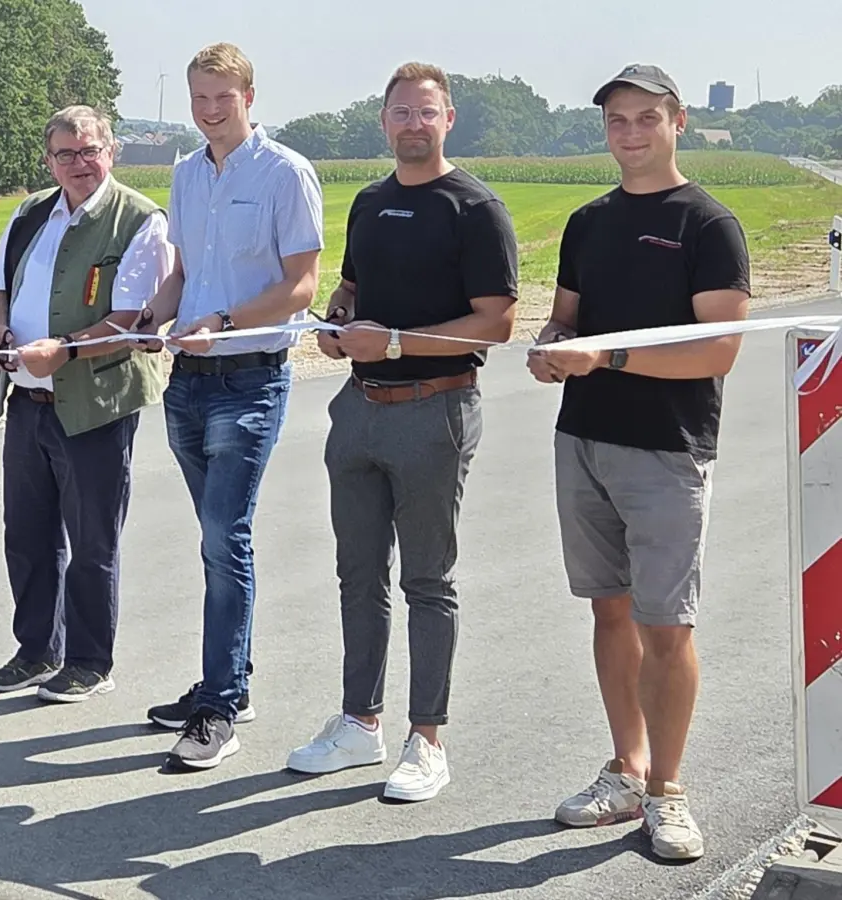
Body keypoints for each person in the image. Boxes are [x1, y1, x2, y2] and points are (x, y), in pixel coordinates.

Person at [528, 63, 749, 861]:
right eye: (617, 121)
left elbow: (718, 351)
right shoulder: (588, 222)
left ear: (677, 122)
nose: (630, 134)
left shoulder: (708, 225)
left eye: (645, 119)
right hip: (583, 438)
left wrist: (605, 359)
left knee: (666, 624)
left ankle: (668, 793)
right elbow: (564, 324)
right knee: (609, 611)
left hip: (668, 449)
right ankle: (627, 769)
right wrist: (552, 354)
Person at [287, 63, 518, 802]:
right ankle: (361, 722)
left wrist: (389, 342)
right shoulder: (369, 201)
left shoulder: (473, 207)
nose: (413, 125)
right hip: (359, 409)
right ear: (382, 121)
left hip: (434, 409)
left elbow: (497, 323)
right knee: (358, 573)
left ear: (448, 119)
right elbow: (352, 289)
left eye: (426, 113)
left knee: (427, 580)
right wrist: (337, 317)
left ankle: (428, 738)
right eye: (400, 113)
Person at [135, 42, 324, 769]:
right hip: (187, 382)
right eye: (199, 99)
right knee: (216, 540)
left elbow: (302, 284)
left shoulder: (285, 173)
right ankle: (227, 682)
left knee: (225, 535)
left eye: (223, 98)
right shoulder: (185, 172)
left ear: (250, 98)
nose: (210, 112)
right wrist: (152, 316)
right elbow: (182, 271)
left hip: (251, 378)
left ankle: (219, 706)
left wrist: (226, 322)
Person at [0, 105, 174, 702]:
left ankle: (90, 659)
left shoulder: (141, 219)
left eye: (89, 151)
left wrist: (61, 349)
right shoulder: (31, 212)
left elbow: (129, 319)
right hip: (29, 401)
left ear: (111, 151)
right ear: (49, 160)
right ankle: (37, 650)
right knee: (27, 535)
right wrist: (3, 339)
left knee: (92, 540)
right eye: (66, 154)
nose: (79, 163)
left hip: (98, 402)